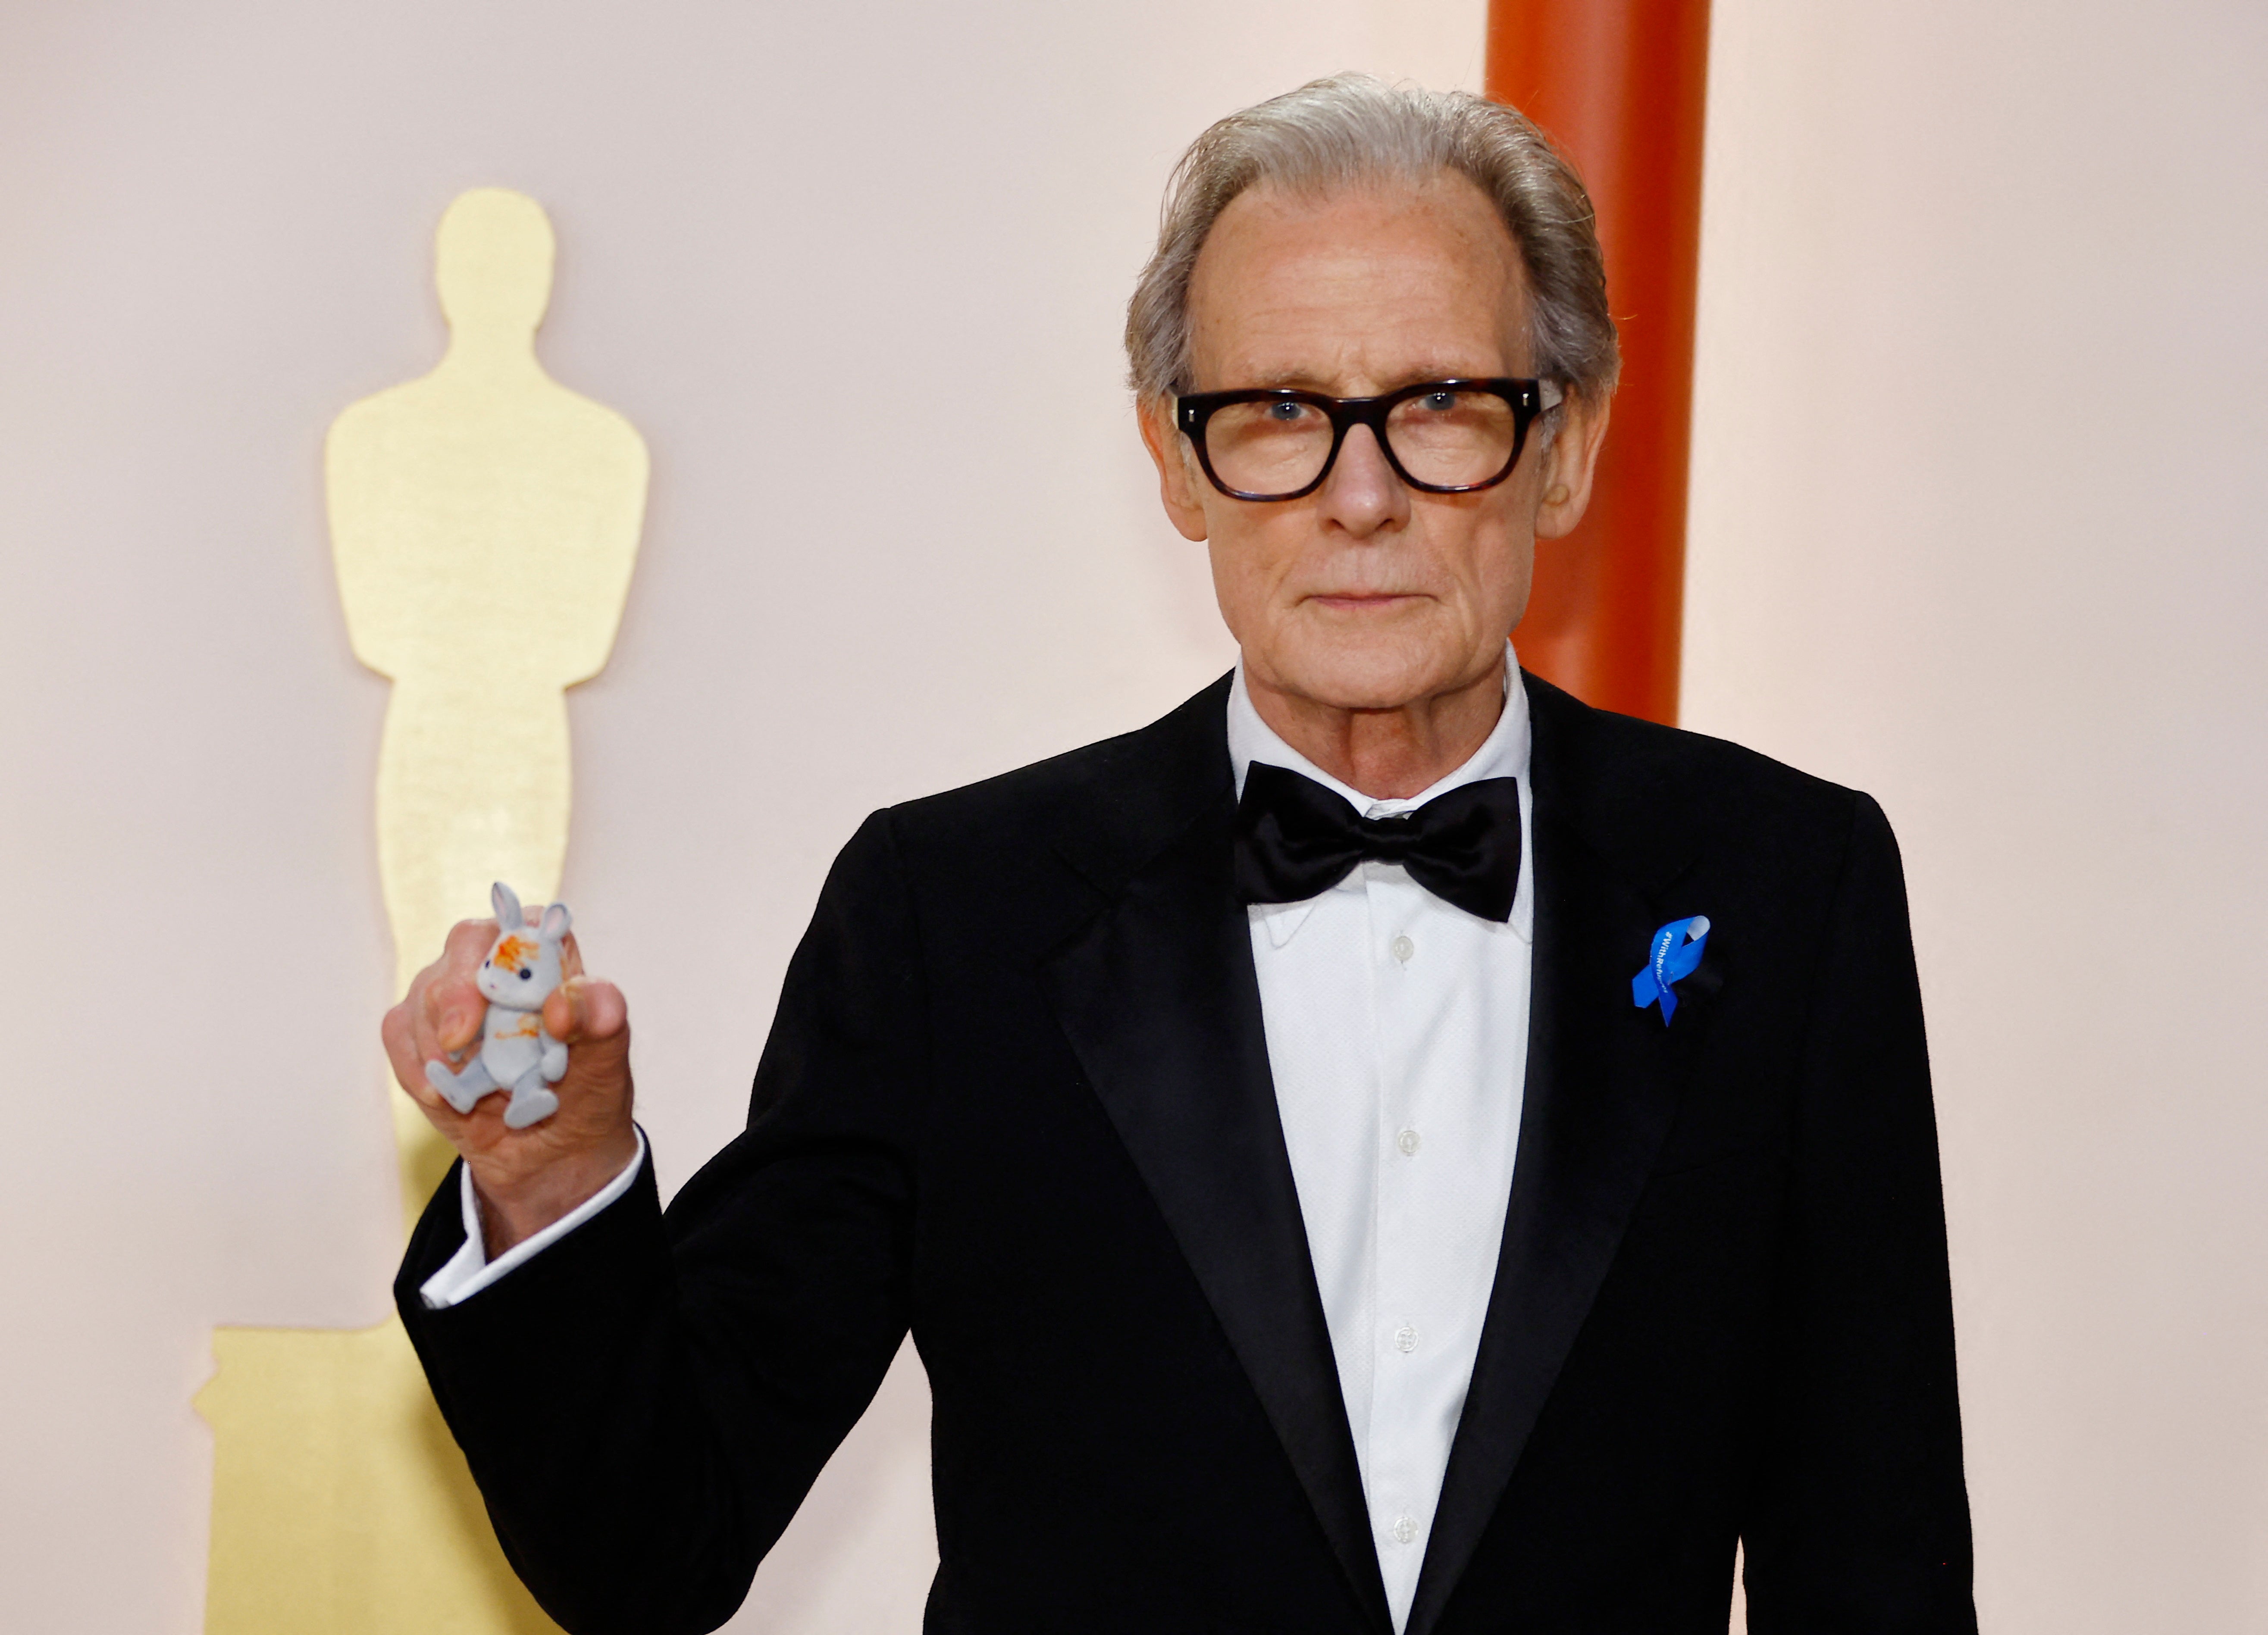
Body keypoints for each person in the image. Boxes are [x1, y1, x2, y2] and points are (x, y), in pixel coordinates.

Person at [387, 75, 1976, 1635]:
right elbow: (648, 1551)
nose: (1360, 496)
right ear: (1174, 457)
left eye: (1437, 405)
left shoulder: (1789, 887)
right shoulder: (953, 917)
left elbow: (1876, 1570)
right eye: (1278, 412)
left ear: (1561, 448)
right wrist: (551, 1178)